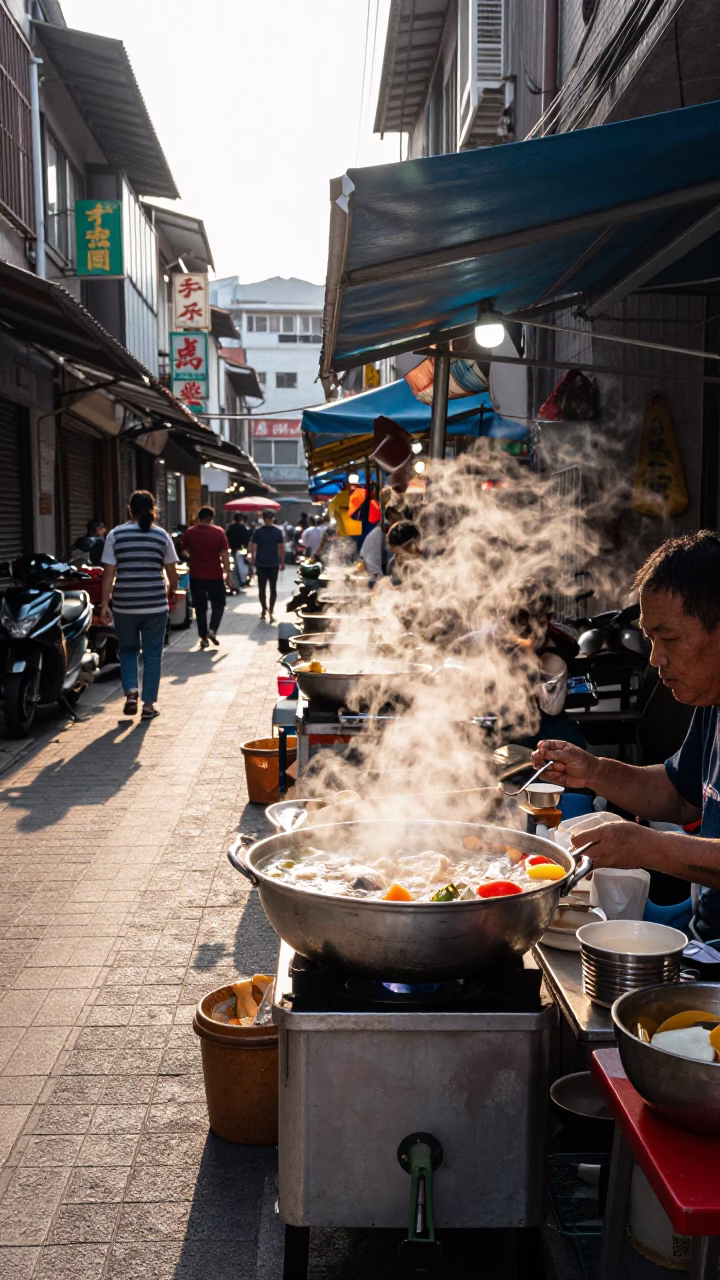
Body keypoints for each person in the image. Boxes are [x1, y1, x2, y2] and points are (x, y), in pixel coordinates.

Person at [532, 531, 720, 943]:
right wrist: (594, 771)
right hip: (704, 941)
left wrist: (648, 847)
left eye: (668, 639)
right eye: (651, 639)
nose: (656, 659)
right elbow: (678, 793)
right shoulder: (712, 704)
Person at [100, 490, 178, 721]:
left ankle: (131, 691)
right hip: (154, 605)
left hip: (124, 606)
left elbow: (108, 575)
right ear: (153, 510)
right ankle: (148, 706)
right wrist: (171, 591)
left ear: (129, 509)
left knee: (127, 650)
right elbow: (172, 574)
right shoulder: (161, 536)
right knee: (153, 654)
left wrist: (104, 604)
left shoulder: (116, 535)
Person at [181, 506, 231, 648]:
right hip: (215, 576)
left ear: (199, 517)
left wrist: (194, 557)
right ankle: (212, 629)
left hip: (196, 576)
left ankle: (203, 637)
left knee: (200, 608)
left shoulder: (190, 533)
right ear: (211, 518)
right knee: (219, 605)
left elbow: (184, 551)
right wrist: (228, 573)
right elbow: (224, 554)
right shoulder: (219, 533)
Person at [248, 509, 285, 622]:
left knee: (272, 589)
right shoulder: (259, 532)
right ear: (263, 519)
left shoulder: (275, 532)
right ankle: (264, 609)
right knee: (262, 589)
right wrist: (252, 557)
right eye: (266, 518)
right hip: (262, 563)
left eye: (269, 518)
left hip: (272, 563)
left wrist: (282, 562)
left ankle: (270, 610)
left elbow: (281, 548)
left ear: (273, 518)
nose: (268, 520)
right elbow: (252, 546)